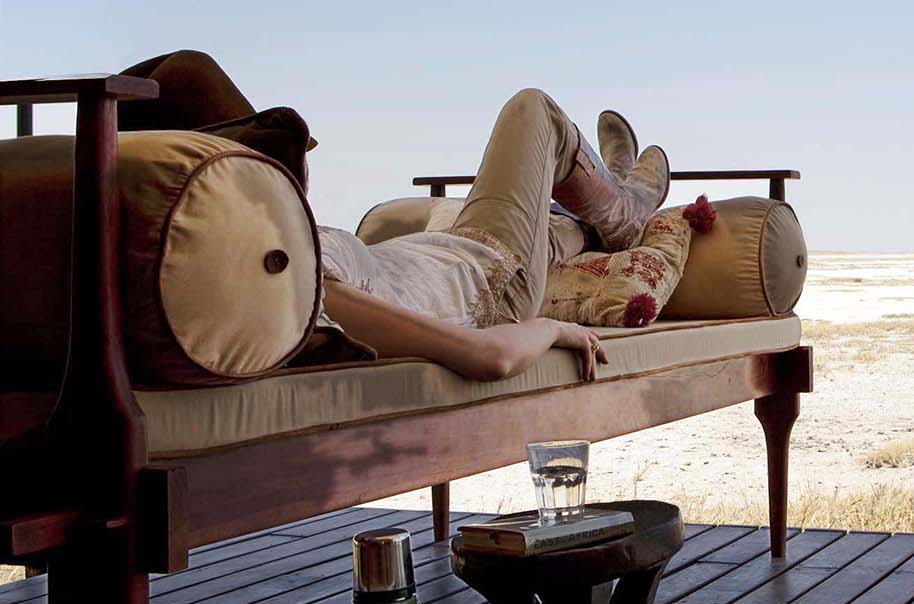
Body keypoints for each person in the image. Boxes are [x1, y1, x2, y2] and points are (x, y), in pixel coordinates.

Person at [119, 50, 672, 381]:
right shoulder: (296, 288)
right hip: (490, 277)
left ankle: (606, 204)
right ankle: (623, 212)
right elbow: (489, 357)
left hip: (444, 250)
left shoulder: (268, 251)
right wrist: (556, 328)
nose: (305, 173)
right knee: (534, 110)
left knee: (548, 230)